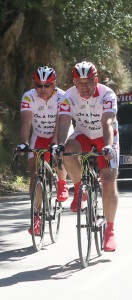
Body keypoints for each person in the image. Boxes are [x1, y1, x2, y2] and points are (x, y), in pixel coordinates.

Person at [56, 61, 119, 252]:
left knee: (108, 180)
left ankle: (109, 230)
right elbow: (64, 122)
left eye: (88, 82)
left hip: (106, 135)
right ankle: (79, 189)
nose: (84, 87)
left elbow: (107, 121)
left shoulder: (107, 94)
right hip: (83, 133)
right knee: (67, 149)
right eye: (79, 82)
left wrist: (108, 146)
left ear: (96, 80)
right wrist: (59, 144)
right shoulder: (68, 96)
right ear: (74, 82)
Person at [16, 66, 72, 235]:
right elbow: (25, 123)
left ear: (54, 84)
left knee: (59, 155)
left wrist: (55, 144)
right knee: (34, 171)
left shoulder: (63, 96)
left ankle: (62, 183)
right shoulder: (28, 96)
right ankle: (36, 215)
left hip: (60, 132)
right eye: (38, 85)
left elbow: (60, 123)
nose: (42, 89)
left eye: (46, 85)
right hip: (39, 134)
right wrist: (24, 143)